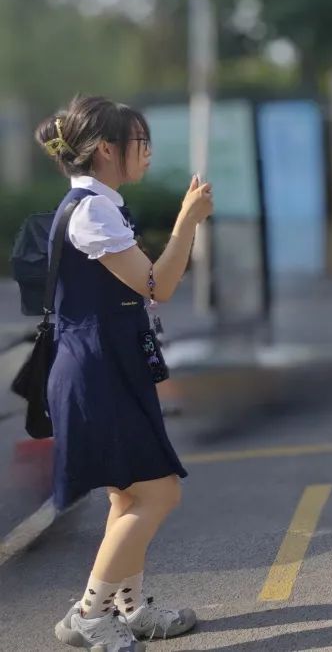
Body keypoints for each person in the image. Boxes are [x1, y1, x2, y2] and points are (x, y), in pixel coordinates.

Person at [37, 96, 213, 651]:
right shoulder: (91, 211)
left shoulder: (99, 204)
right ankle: (90, 613)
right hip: (98, 370)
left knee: (126, 496)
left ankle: (129, 608)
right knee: (157, 494)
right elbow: (157, 284)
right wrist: (187, 222)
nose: (148, 152)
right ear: (108, 149)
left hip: (108, 364)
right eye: (141, 141)